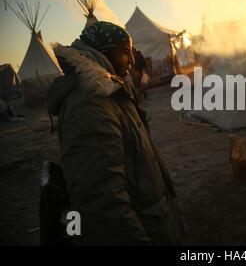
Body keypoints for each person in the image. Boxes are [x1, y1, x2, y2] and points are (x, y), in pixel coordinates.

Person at [47, 21, 184, 245]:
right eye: (125, 52)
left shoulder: (107, 91)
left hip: (152, 221)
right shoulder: (90, 104)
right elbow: (102, 201)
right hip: (142, 228)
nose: (132, 60)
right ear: (104, 53)